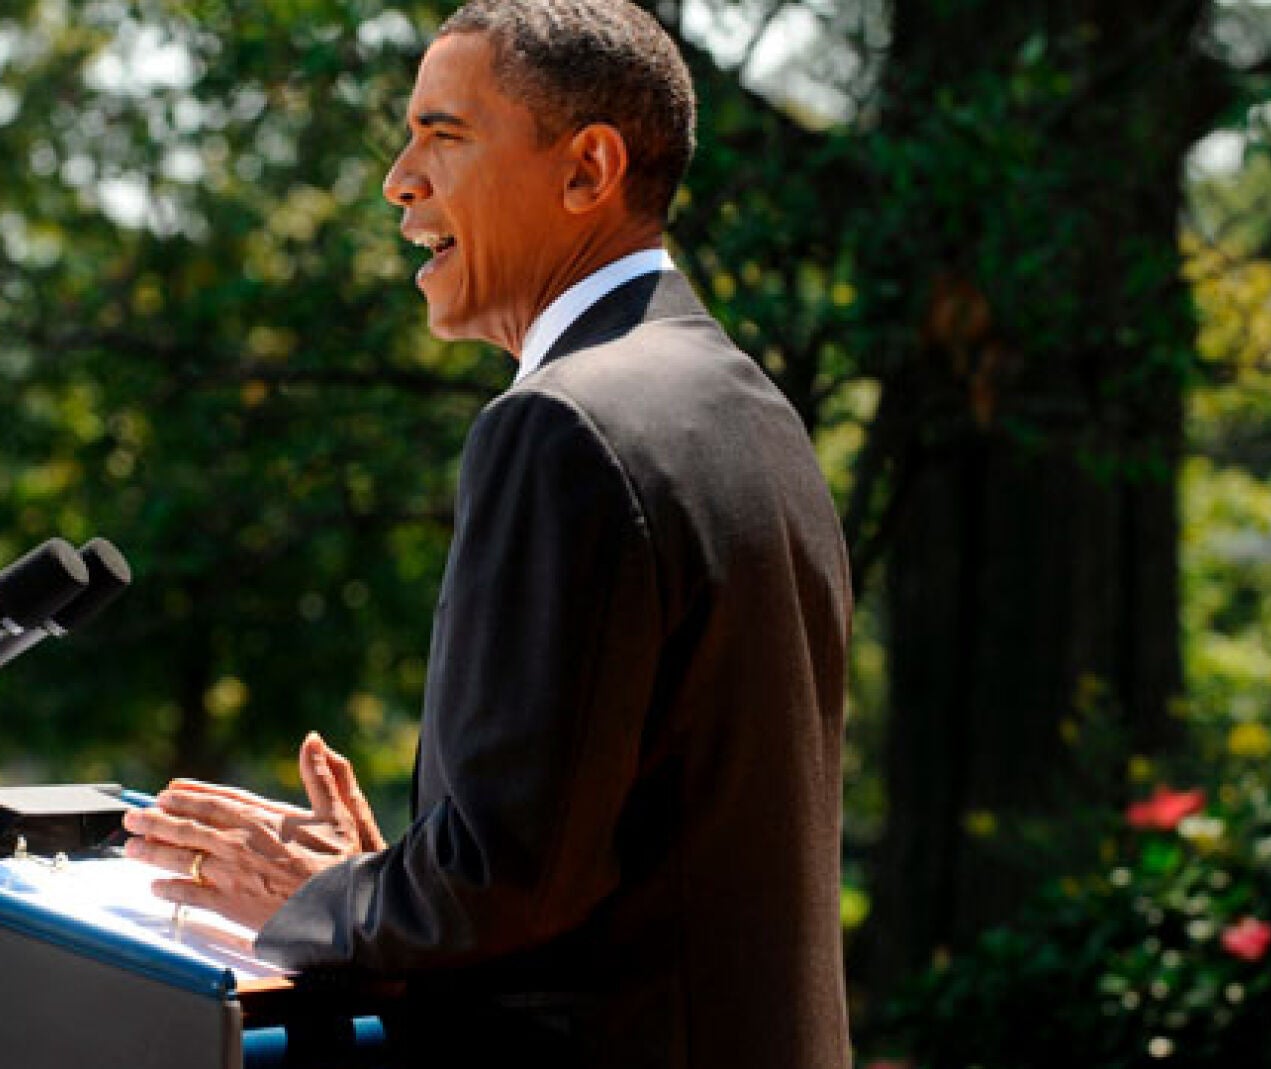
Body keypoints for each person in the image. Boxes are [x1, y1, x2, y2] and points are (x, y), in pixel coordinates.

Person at [124, 2, 853, 1064]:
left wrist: (325, 902)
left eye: (444, 134)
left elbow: (503, 888)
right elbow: (575, 851)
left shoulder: (557, 426)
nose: (398, 178)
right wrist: (394, 877)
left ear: (585, 169)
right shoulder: (751, 411)